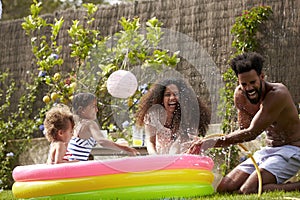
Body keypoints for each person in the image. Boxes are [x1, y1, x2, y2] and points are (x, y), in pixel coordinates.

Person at [186, 52, 300, 193]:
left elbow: (251, 133)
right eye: (244, 84)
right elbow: (243, 129)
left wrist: (211, 142)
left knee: (248, 189)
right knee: (224, 187)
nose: (249, 88)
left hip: (291, 150)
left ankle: (296, 186)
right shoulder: (240, 95)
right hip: (268, 150)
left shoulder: (277, 94)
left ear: (262, 77)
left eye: (253, 82)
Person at [135, 77, 211, 155]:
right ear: (161, 98)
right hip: (161, 159)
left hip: (183, 158)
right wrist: (156, 158)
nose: (172, 98)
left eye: (176, 94)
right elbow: (150, 142)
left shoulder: (188, 113)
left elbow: (191, 141)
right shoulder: (153, 115)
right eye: (168, 95)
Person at [67, 92, 139, 161]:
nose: (97, 110)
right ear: (81, 110)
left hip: (71, 164)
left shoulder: (76, 124)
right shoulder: (89, 124)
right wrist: (126, 149)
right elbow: (102, 141)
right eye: (93, 106)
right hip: (78, 168)